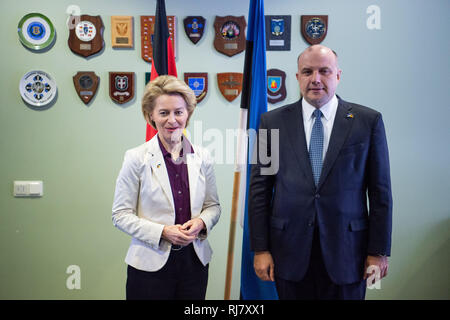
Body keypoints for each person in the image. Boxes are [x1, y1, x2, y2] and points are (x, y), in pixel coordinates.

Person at [249, 45, 392, 300]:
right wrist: (260, 249)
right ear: (297, 77)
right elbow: (259, 190)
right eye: (307, 71)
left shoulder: (367, 121)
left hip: (349, 254)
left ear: (338, 75)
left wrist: (379, 251)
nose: (315, 79)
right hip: (289, 252)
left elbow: (380, 192)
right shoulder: (271, 123)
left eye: (324, 71)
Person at [112, 75, 221, 300]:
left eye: (178, 112)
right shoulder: (135, 158)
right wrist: (163, 232)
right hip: (149, 266)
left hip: (195, 263)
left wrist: (201, 222)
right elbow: (120, 215)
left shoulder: (202, 156)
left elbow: (213, 206)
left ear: (188, 114)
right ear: (150, 115)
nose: (172, 120)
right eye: (164, 113)